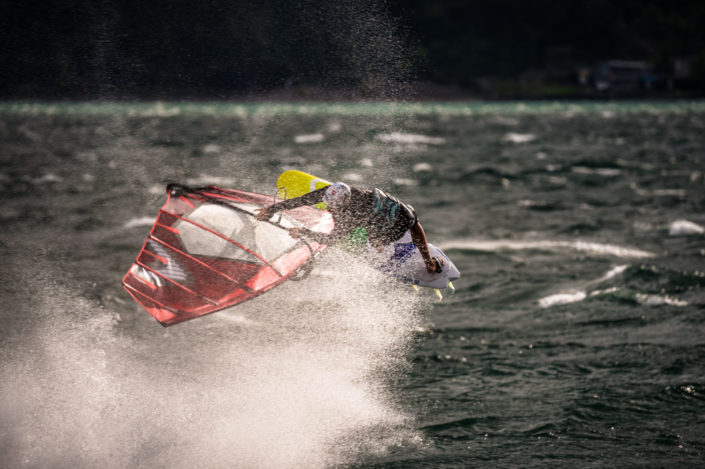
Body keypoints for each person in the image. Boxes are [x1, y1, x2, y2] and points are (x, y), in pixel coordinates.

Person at [255, 182, 442, 274]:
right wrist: (272, 209)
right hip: (395, 212)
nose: (328, 208)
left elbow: (332, 240)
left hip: (392, 229)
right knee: (402, 217)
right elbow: (302, 200)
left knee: (368, 238)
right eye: (327, 203)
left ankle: (378, 243)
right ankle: (376, 239)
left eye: (332, 207)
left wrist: (304, 232)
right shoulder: (339, 191)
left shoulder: (353, 215)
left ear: (345, 204)